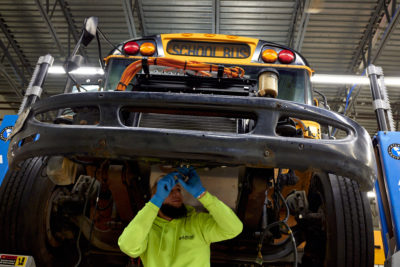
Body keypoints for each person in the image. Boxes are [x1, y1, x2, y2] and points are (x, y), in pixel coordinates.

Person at [118, 166, 243, 267]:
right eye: (167, 191)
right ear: (154, 197)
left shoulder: (197, 222)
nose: (176, 194)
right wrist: (154, 203)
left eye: (178, 190)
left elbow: (234, 228)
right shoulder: (146, 230)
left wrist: (203, 194)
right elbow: (128, 247)